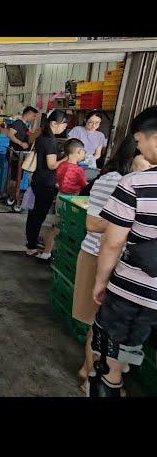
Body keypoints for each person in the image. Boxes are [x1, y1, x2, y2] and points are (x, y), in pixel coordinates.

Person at [89, 105, 157, 397]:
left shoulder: (136, 183)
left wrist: (101, 281)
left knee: (112, 360)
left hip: (133, 291)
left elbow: (113, 242)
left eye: (139, 142)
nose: (139, 148)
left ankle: (111, 382)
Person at [71, 136, 145, 393]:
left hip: (124, 264)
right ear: (132, 154)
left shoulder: (143, 183)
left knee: (105, 325)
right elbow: (92, 224)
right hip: (98, 257)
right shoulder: (113, 180)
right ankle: (93, 377)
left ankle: (87, 369)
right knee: (99, 323)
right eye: (145, 156)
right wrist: (128, 221)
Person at [36, 138, 88, 262]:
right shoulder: (78, 170)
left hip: (60, 196)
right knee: (68, 228)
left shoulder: (61, 165)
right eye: (84, 152)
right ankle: (61, 254)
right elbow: (85, 186)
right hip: (73, 200)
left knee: (58, 226)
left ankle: (47, 252)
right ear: (79, 151)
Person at [25, 110, 68, 256]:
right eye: (63, 124)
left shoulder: (41, 137)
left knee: (33, 215)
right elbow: (51, 165)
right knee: (38, 216)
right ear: (53, 123)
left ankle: (31, 243)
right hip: (45, 183)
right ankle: (31, 247)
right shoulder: (50, 141)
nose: (64, 127)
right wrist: (66, 158)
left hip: (38, 180)